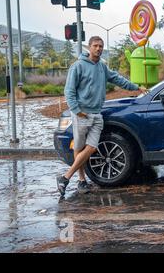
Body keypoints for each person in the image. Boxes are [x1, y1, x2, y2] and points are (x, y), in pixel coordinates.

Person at [56, 36, 143, 196]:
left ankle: (65, 176)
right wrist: (76, 110)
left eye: (101, 46)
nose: (98, 48)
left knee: (92, 147)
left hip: (97, 114)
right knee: (79, 147)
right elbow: (69, 91)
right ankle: (82, 181)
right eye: (95, 46)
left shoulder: (102, 67)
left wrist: (136, 88)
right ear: (89, 47)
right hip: (82, 114)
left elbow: (117, 79)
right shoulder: (78, 66)